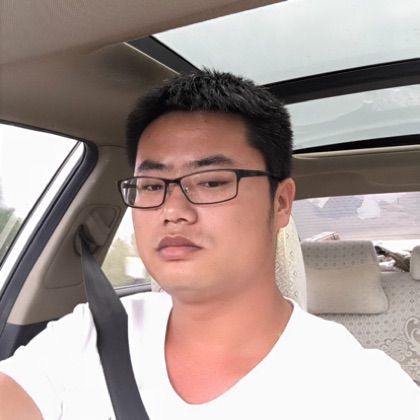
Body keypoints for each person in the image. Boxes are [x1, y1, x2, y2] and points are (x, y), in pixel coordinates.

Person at [0, 70, 419, 419]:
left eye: (212, 181)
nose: (172, 210)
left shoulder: (364, 392)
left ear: (280, 203)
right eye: (151, 185)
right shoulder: (92, 333)